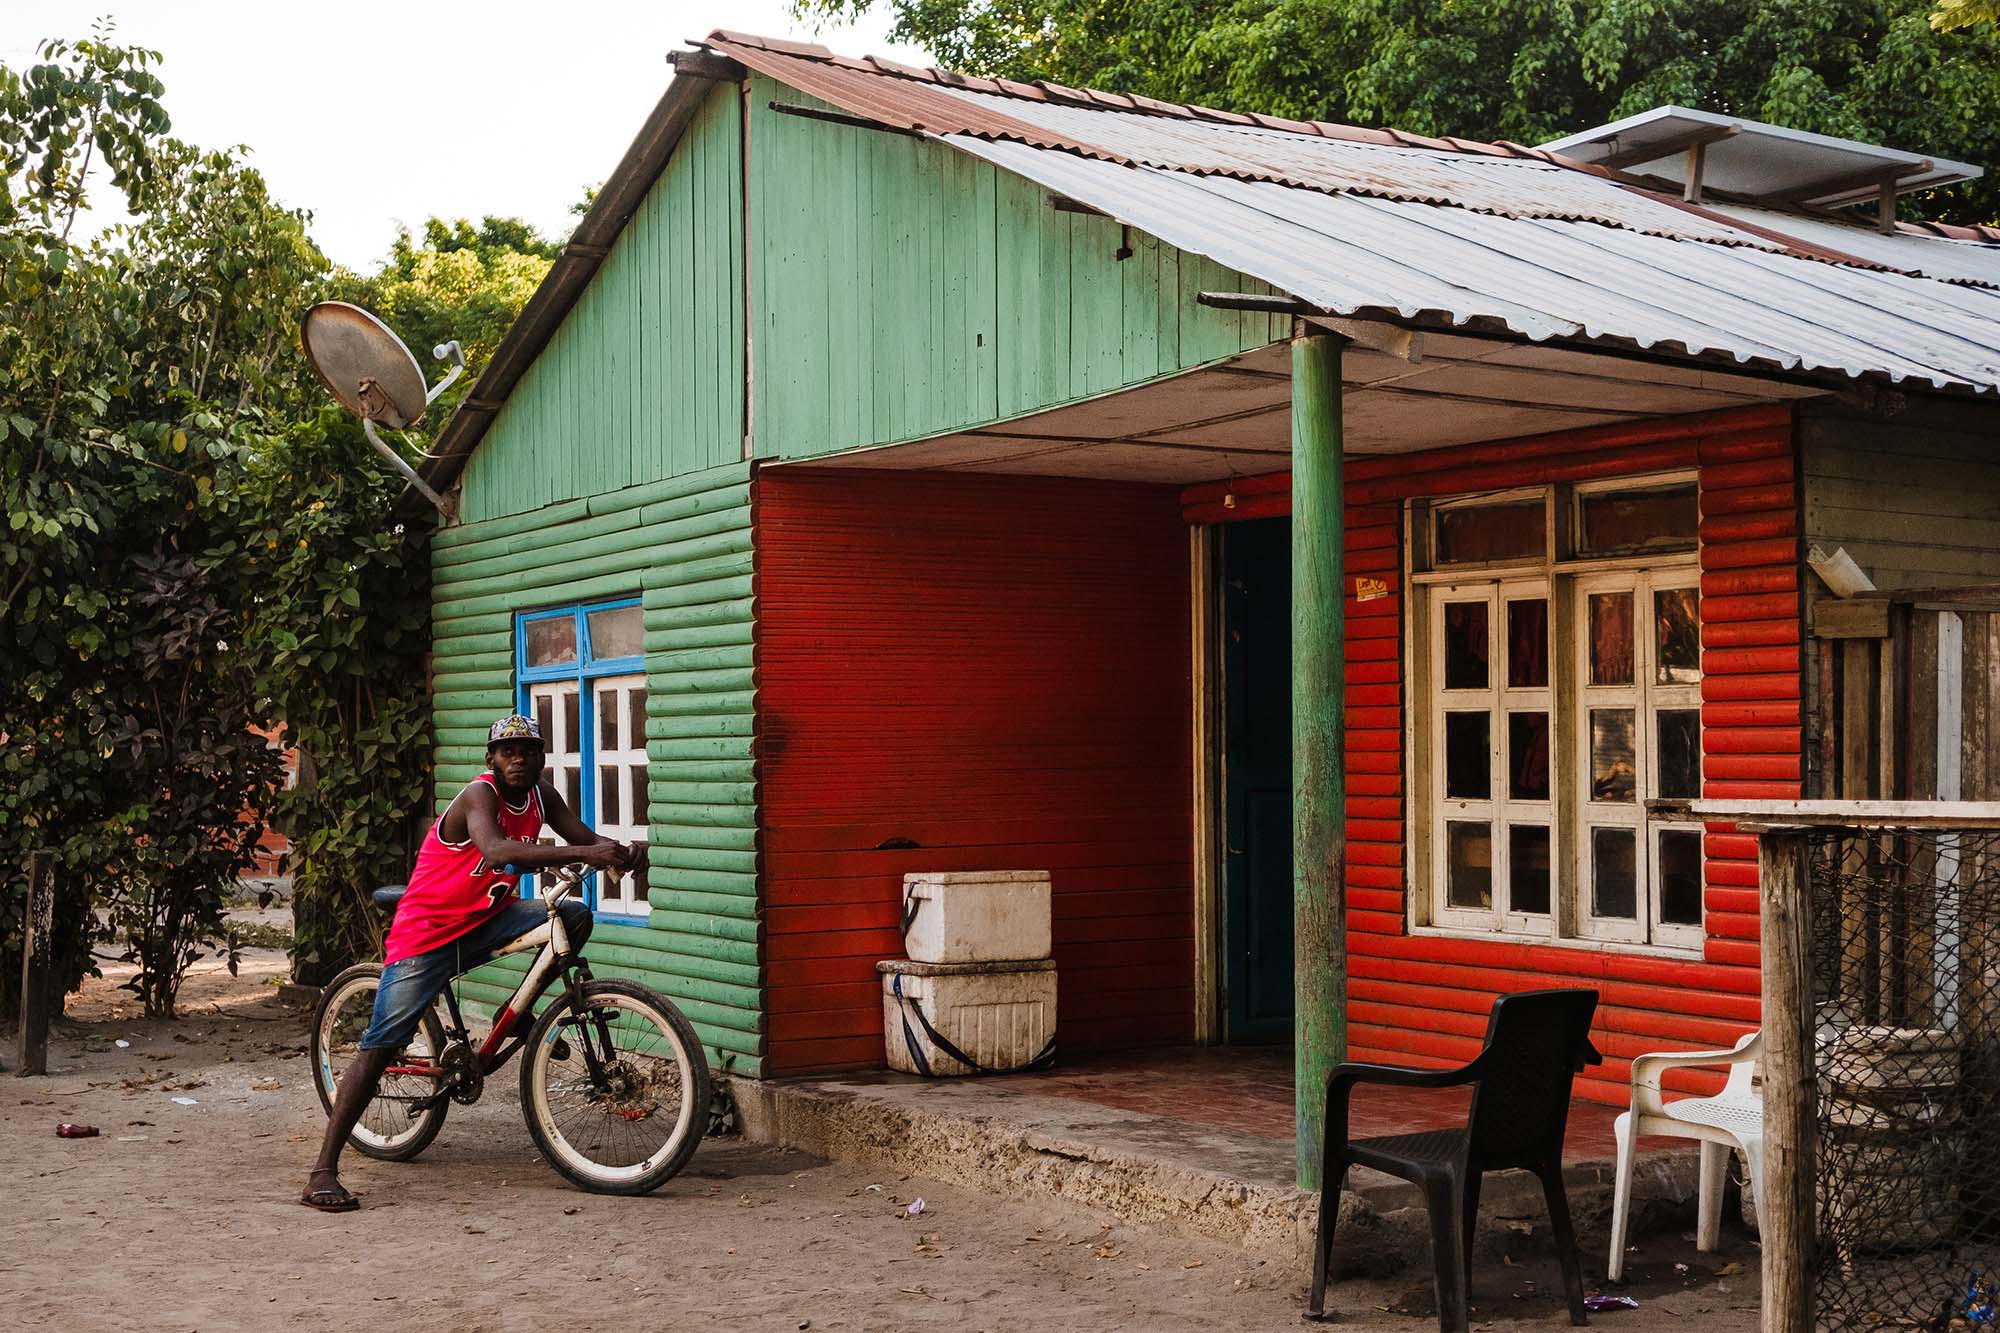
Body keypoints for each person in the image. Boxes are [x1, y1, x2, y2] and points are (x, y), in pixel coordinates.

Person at [300, 713, 636, 1211]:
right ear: (491, 760)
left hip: (488, 918)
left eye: (528, 749)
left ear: (542, 757)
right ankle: (322, 1170)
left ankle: (519, 1019)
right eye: (508, 751)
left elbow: (581, 838)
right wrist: (591, 849)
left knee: (573, 915)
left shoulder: (543, 794)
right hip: (428, 934)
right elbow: (497, 849)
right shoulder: (479, 796)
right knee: (380, 1046)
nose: (518, 758)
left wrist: (618, 855)